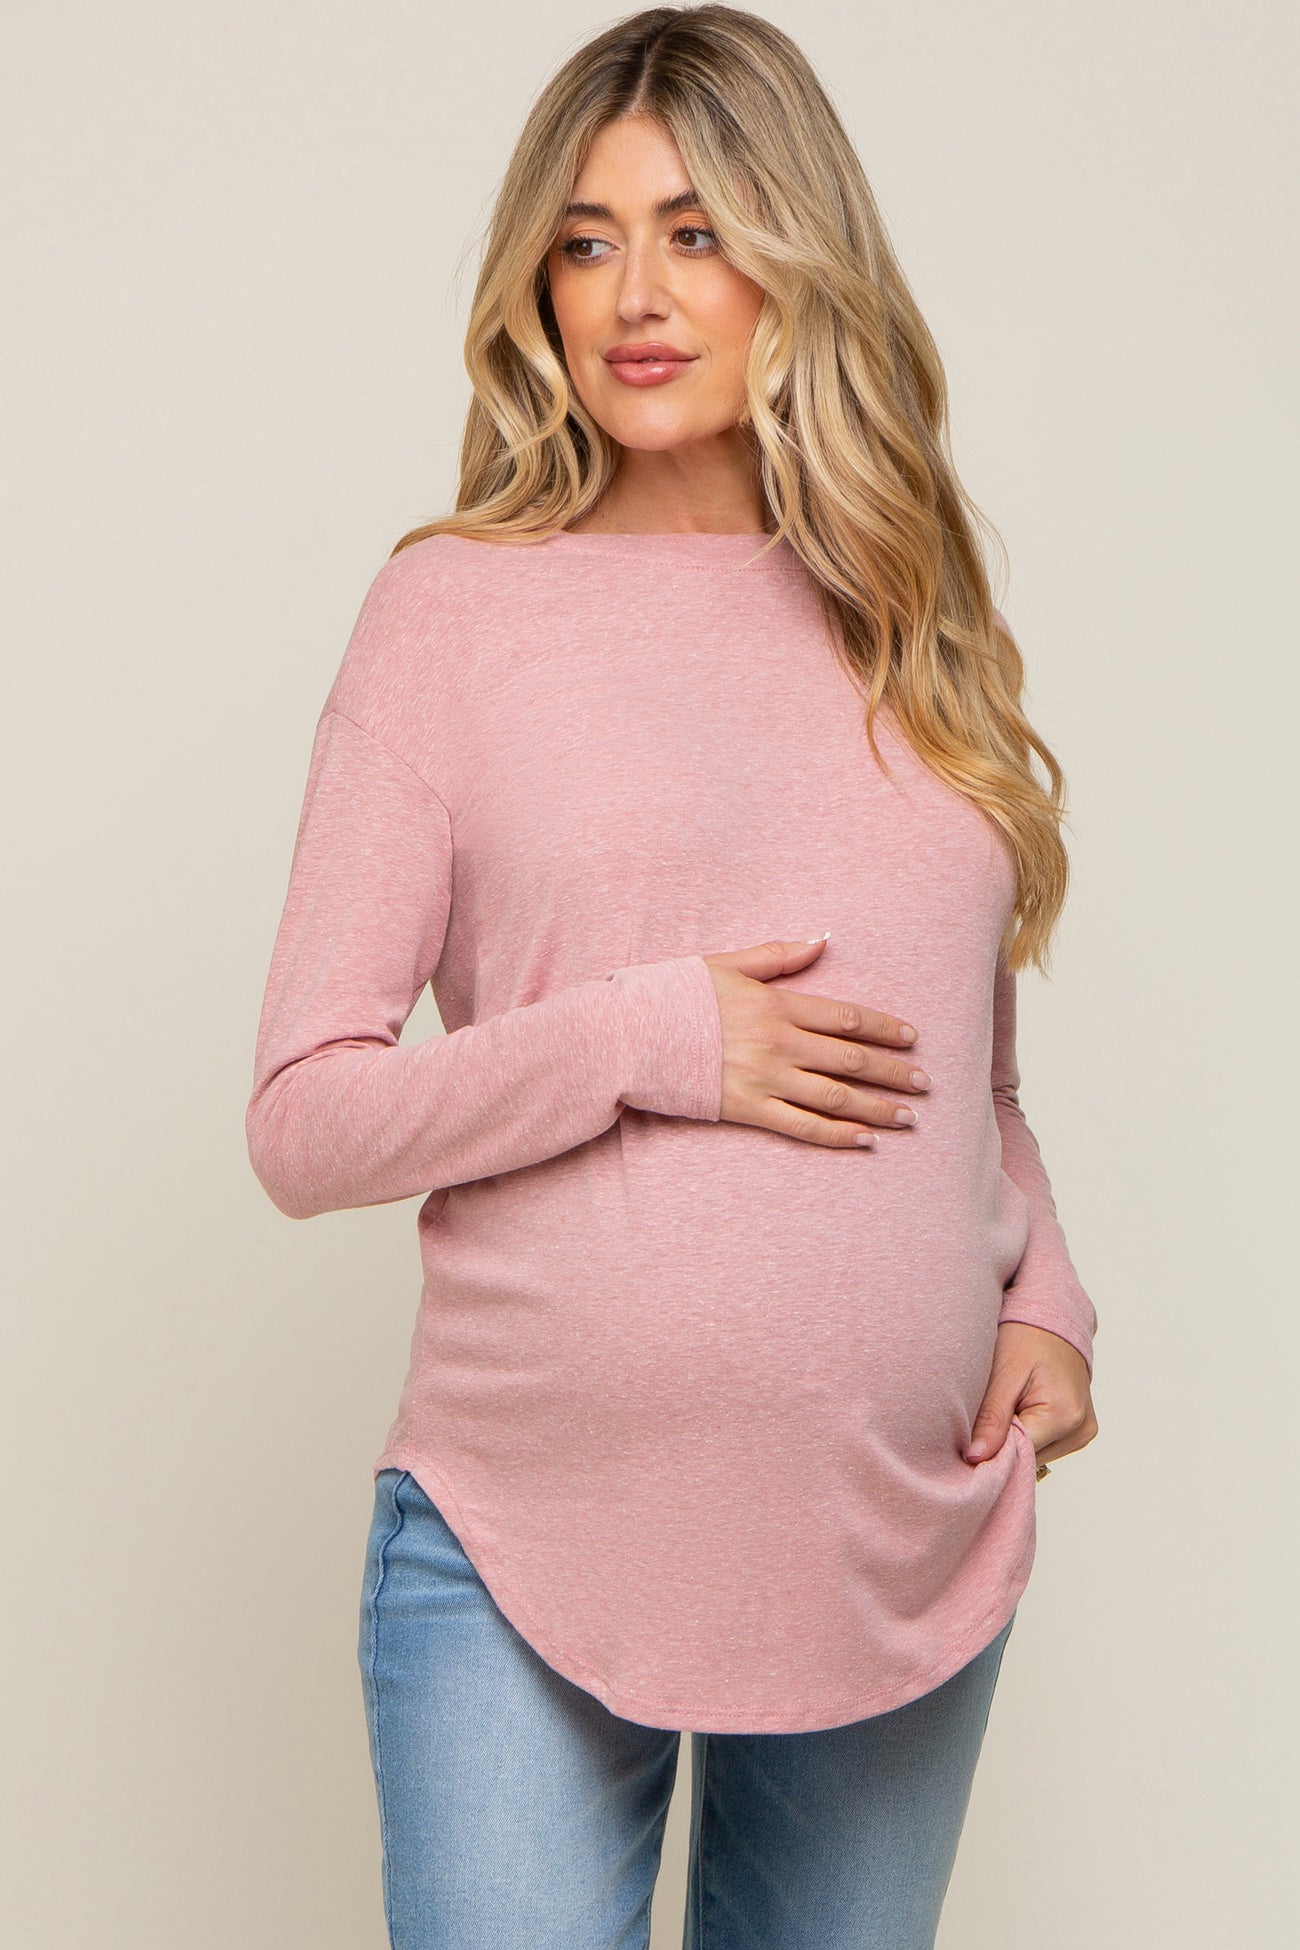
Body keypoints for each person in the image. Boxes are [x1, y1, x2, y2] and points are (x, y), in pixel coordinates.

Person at [245, 7, 1100, 1945]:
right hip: (521, 1535)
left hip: (892, 1544)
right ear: (534, 284)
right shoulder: (453, 616)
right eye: (585, 240)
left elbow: (969, 1085)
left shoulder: (914, 623)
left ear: (798, 258)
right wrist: (655, 1037)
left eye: (696, 231)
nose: (633, 294)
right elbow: (302, 1118)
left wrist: (1043, 1298)